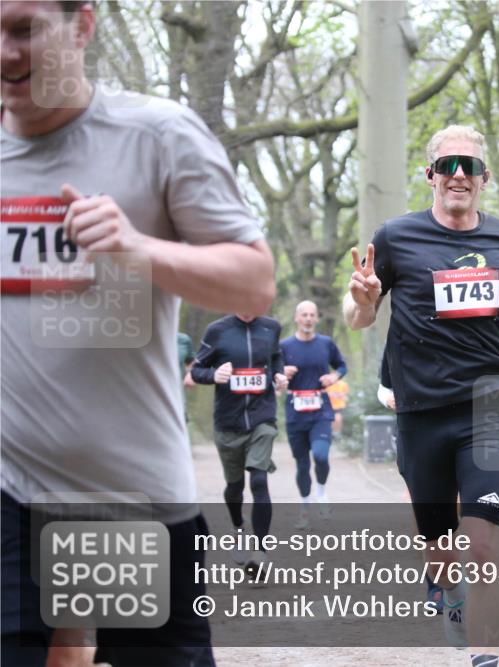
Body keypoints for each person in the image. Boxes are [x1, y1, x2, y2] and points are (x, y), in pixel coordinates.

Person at [0, 2, 275, 665]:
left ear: (83, 25)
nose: (4, 52)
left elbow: (254, 283)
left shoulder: (154, 135)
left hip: (128, 497)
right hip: (12, 490)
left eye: (23, 29)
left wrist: (137, 249)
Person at [343, 125, 499, 664]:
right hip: (421, 410)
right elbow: (360, 317)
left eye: (470, 166)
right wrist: (361, 300)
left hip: (487, 404)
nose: (459, 174)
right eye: (448, 165)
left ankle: (485, 659)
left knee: (483, 543)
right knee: (439, 549)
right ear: (430, 175)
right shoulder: (396, 237)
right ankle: (448, 592)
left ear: (484, 178)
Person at [190, 313, 287, 572]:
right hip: (228, 422)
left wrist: (279, 375)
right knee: (235, 487)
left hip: (262, 417)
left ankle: (261, 553)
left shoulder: (271, 327)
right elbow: (196, 371)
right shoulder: (216, 330)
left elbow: (276, 357)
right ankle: (238, 527)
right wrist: (214, 375)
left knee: (259, 480)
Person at [377, 351, 443, 615]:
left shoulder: (476, 327)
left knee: (460, 507)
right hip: (417, 429)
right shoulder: (402, 332)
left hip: (466, 428)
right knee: (424, 509)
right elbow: (383, 388)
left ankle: (460, 572)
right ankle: (435, 583)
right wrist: (388, 398)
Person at [281, 300, 347, 529]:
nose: (308, 319)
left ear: (316, 318)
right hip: (295, 412)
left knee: (320, 456)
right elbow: (273, 373)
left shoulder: (326, 343)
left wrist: (333, 377)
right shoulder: (284, 346)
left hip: (321, 411)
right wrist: (282, 373)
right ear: (296, 318)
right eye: (304, 315)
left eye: (312, 315)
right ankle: (305, 508)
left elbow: (342, 366)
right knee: (301, 464)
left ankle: (321, 491)